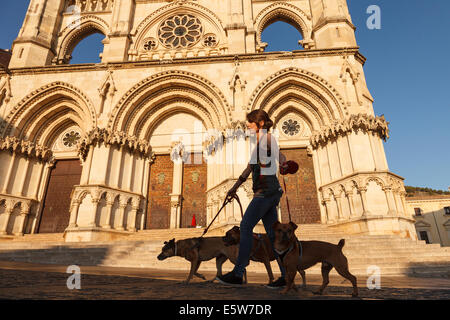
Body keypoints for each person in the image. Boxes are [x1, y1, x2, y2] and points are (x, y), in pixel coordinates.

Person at [216, 109, 289, 288]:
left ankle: (238, 272)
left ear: (261, 123)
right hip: (269, 192)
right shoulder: (257, 145)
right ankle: (287, 274)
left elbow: (280, 155)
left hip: (265, 192)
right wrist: (233, 188)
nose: (247, 125)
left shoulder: (268, 139)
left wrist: (284, 164)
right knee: (273, 235)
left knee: (246, 226)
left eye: (250, 122)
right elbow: (248, 169)